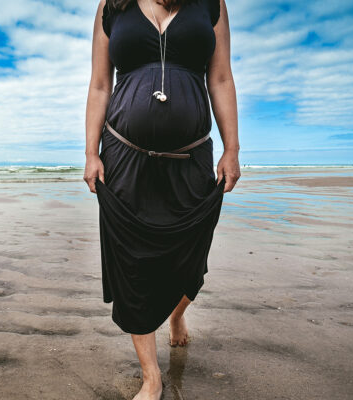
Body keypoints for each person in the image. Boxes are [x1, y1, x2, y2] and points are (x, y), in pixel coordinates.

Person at [84, 0, 240, 398]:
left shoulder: (210, 4)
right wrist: (90, 153)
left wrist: (232, 149)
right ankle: (151, 377)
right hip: (123, 153)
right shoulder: (112, 6)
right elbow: (101, 83)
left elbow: (220, 78)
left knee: (190, 259)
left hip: (191, 155)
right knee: (131, 263)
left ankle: (175, 316)